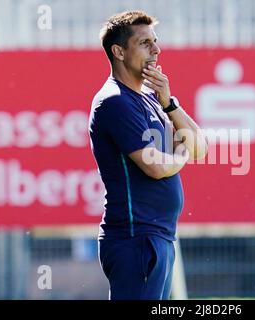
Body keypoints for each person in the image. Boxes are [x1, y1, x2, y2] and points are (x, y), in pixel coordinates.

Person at [89, 10, 207, 300]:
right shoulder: (114, 101)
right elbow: (154, 166)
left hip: (157, 237)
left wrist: (169, 103)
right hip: (135, 239)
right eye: (145, 43)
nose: (157, 50)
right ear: (118, 51)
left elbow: (200, 147)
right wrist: (180, 157)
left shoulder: (150, 99)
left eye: (155, 41)